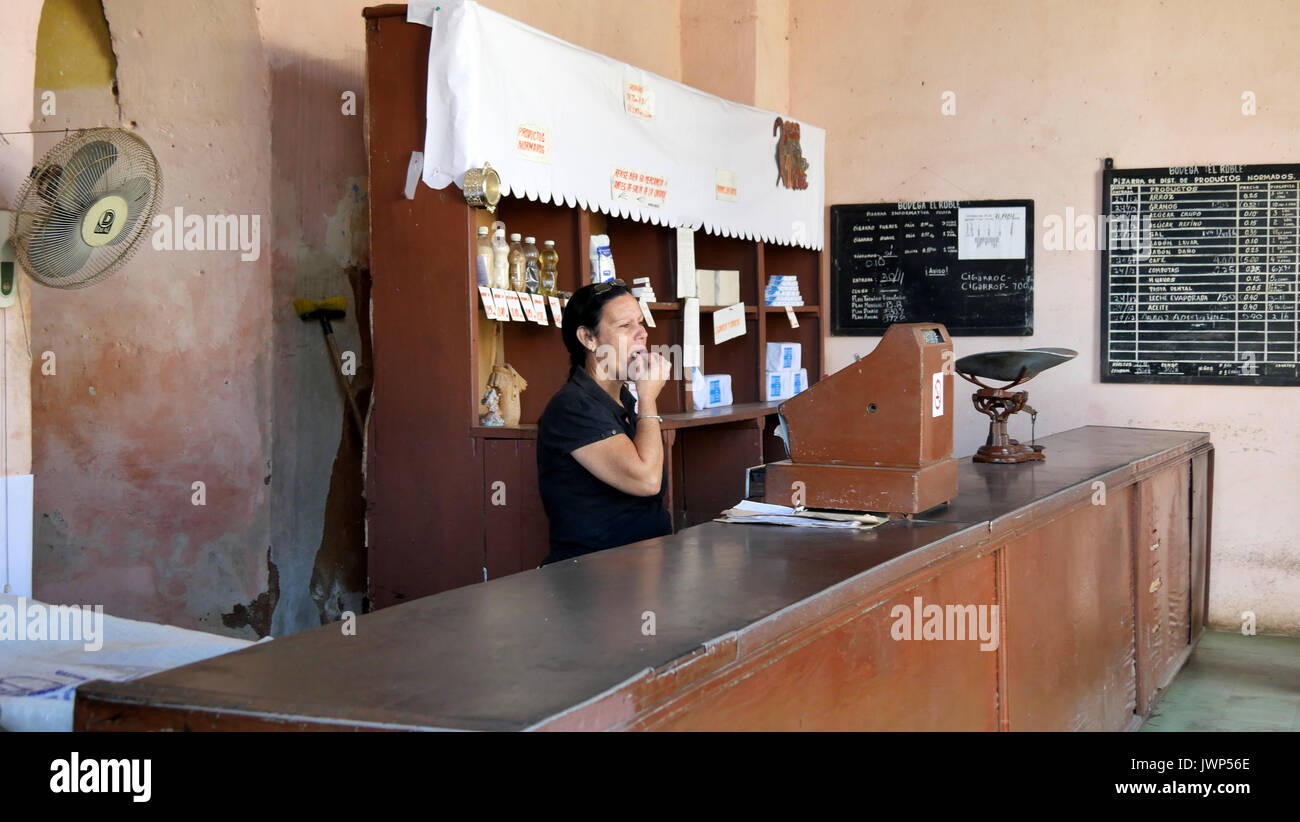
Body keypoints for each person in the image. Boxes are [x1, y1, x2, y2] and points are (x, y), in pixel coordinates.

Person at [536, 280, 673, 565]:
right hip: (594, 581)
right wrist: (648, 398)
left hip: (641, 570)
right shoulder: (573, 406)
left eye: (640, 322)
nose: (642, 333)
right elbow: (647, 480)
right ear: (588, 338)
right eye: (625, 326)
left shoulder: (623, 399)